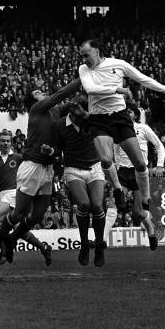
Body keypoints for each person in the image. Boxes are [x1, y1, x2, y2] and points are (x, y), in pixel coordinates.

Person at [77, 39, 165, 247]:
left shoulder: (118, 64)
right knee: (105, 158)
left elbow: (143, 79)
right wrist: (118, 90)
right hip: (99, 118)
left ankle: (147, 205)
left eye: (87, 55)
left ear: (97, 51)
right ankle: (116, 189)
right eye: (82, 56)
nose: (84, 59)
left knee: (141, 165)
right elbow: (90, 89)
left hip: (120, 118)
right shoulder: (84, 70)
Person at [0, 78, 82, 264]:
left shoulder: (54, 110)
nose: (43, 92)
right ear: (34, 100)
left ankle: (12, 240)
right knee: (18, 214)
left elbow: (74, 103)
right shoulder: (36, 109)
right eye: (38, 92)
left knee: (37, 215)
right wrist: (83, 76)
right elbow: (61, 94)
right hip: (31, 167)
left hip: (47, 169)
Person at [0, 130, 52, 266]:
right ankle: (44, 249)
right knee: (21, 231)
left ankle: (2, 254)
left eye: (8, 141)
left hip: (14, 194)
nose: (5, 143)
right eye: (2, 141)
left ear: (11, 143)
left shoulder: (18, 157)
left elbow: (31, 166)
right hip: (2, 196)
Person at [55, 100, 106, 266]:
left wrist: (85, 115)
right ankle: (84, 244)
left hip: (94, 168)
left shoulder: (91, 120)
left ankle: (99, 246)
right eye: (77, 115)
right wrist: (52, 152)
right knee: (84, 204)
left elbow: (103, 123)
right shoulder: (60, 125)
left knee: (97, 206)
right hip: (73, 170)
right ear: (71, 113)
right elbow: (57, 149)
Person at [113, 103, 165, 250]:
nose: (127, 114)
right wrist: (116, 166)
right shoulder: (119, 130)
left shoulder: (143, 129)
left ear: (135, 115)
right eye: (125, 112)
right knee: (114, 203)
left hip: (139, 173)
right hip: (123, 172)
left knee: (138, 212)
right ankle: (101, 240)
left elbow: (159, 145)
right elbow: (115, 151)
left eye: (130, 111)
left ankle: (151, 232)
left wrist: (159, 165)